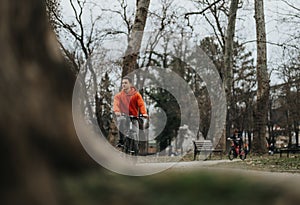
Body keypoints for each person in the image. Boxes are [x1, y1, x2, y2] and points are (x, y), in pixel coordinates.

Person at [113, 77, 148, 147]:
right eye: (122, 83)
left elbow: (141, 104)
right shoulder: (119, 96)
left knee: (136, 132)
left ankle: (136, 146)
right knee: (121, 121)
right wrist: (117, 111)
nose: (123, 85)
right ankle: (121, 141)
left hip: (134, 116)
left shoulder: (136, 95)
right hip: (123, 115)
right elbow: (116, 104)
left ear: (130, 84)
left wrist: (144, 113)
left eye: (126, 83)